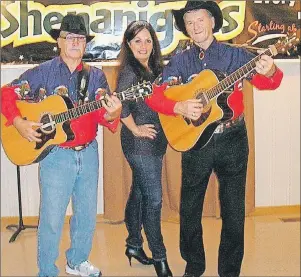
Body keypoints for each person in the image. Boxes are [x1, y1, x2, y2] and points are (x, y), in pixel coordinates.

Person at [146, 1, 284, 277]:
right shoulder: (180, 61)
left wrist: (270, 71)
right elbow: (154, 95)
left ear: (212, 22)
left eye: (200, 20)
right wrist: (179, 107)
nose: (195, 27)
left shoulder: (236, 56)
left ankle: (230, 272)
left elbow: (269, 82)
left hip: (233, 138)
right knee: (189, 209)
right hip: (196, 141)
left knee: (234, 211)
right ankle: (194, 267)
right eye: (189, 22)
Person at [1, 14, 122, 277]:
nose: (76, 43)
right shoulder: (42, 73)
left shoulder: (97, 77)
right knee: (52, 220)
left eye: (81, 38)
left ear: (86, 44)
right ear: (60, 41)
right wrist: (19, 123)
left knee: (87, 216)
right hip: (56, 157)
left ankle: (77, 261)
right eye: (70, 38)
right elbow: (6, 93)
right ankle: (46, 271)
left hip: (89, 153)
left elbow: (105, 115)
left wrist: (114, 113)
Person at [116, 20, 173, 277]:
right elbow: (121, 106)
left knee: (139, 192)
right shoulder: (130, 72)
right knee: (154, 199)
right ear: (129, 44)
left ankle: (133, 245)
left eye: (148, 40)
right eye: (137, 40)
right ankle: (160, 257)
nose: (144, 45)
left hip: (156, 141)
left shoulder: (152, 67)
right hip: (140, 145)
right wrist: (135, 129)